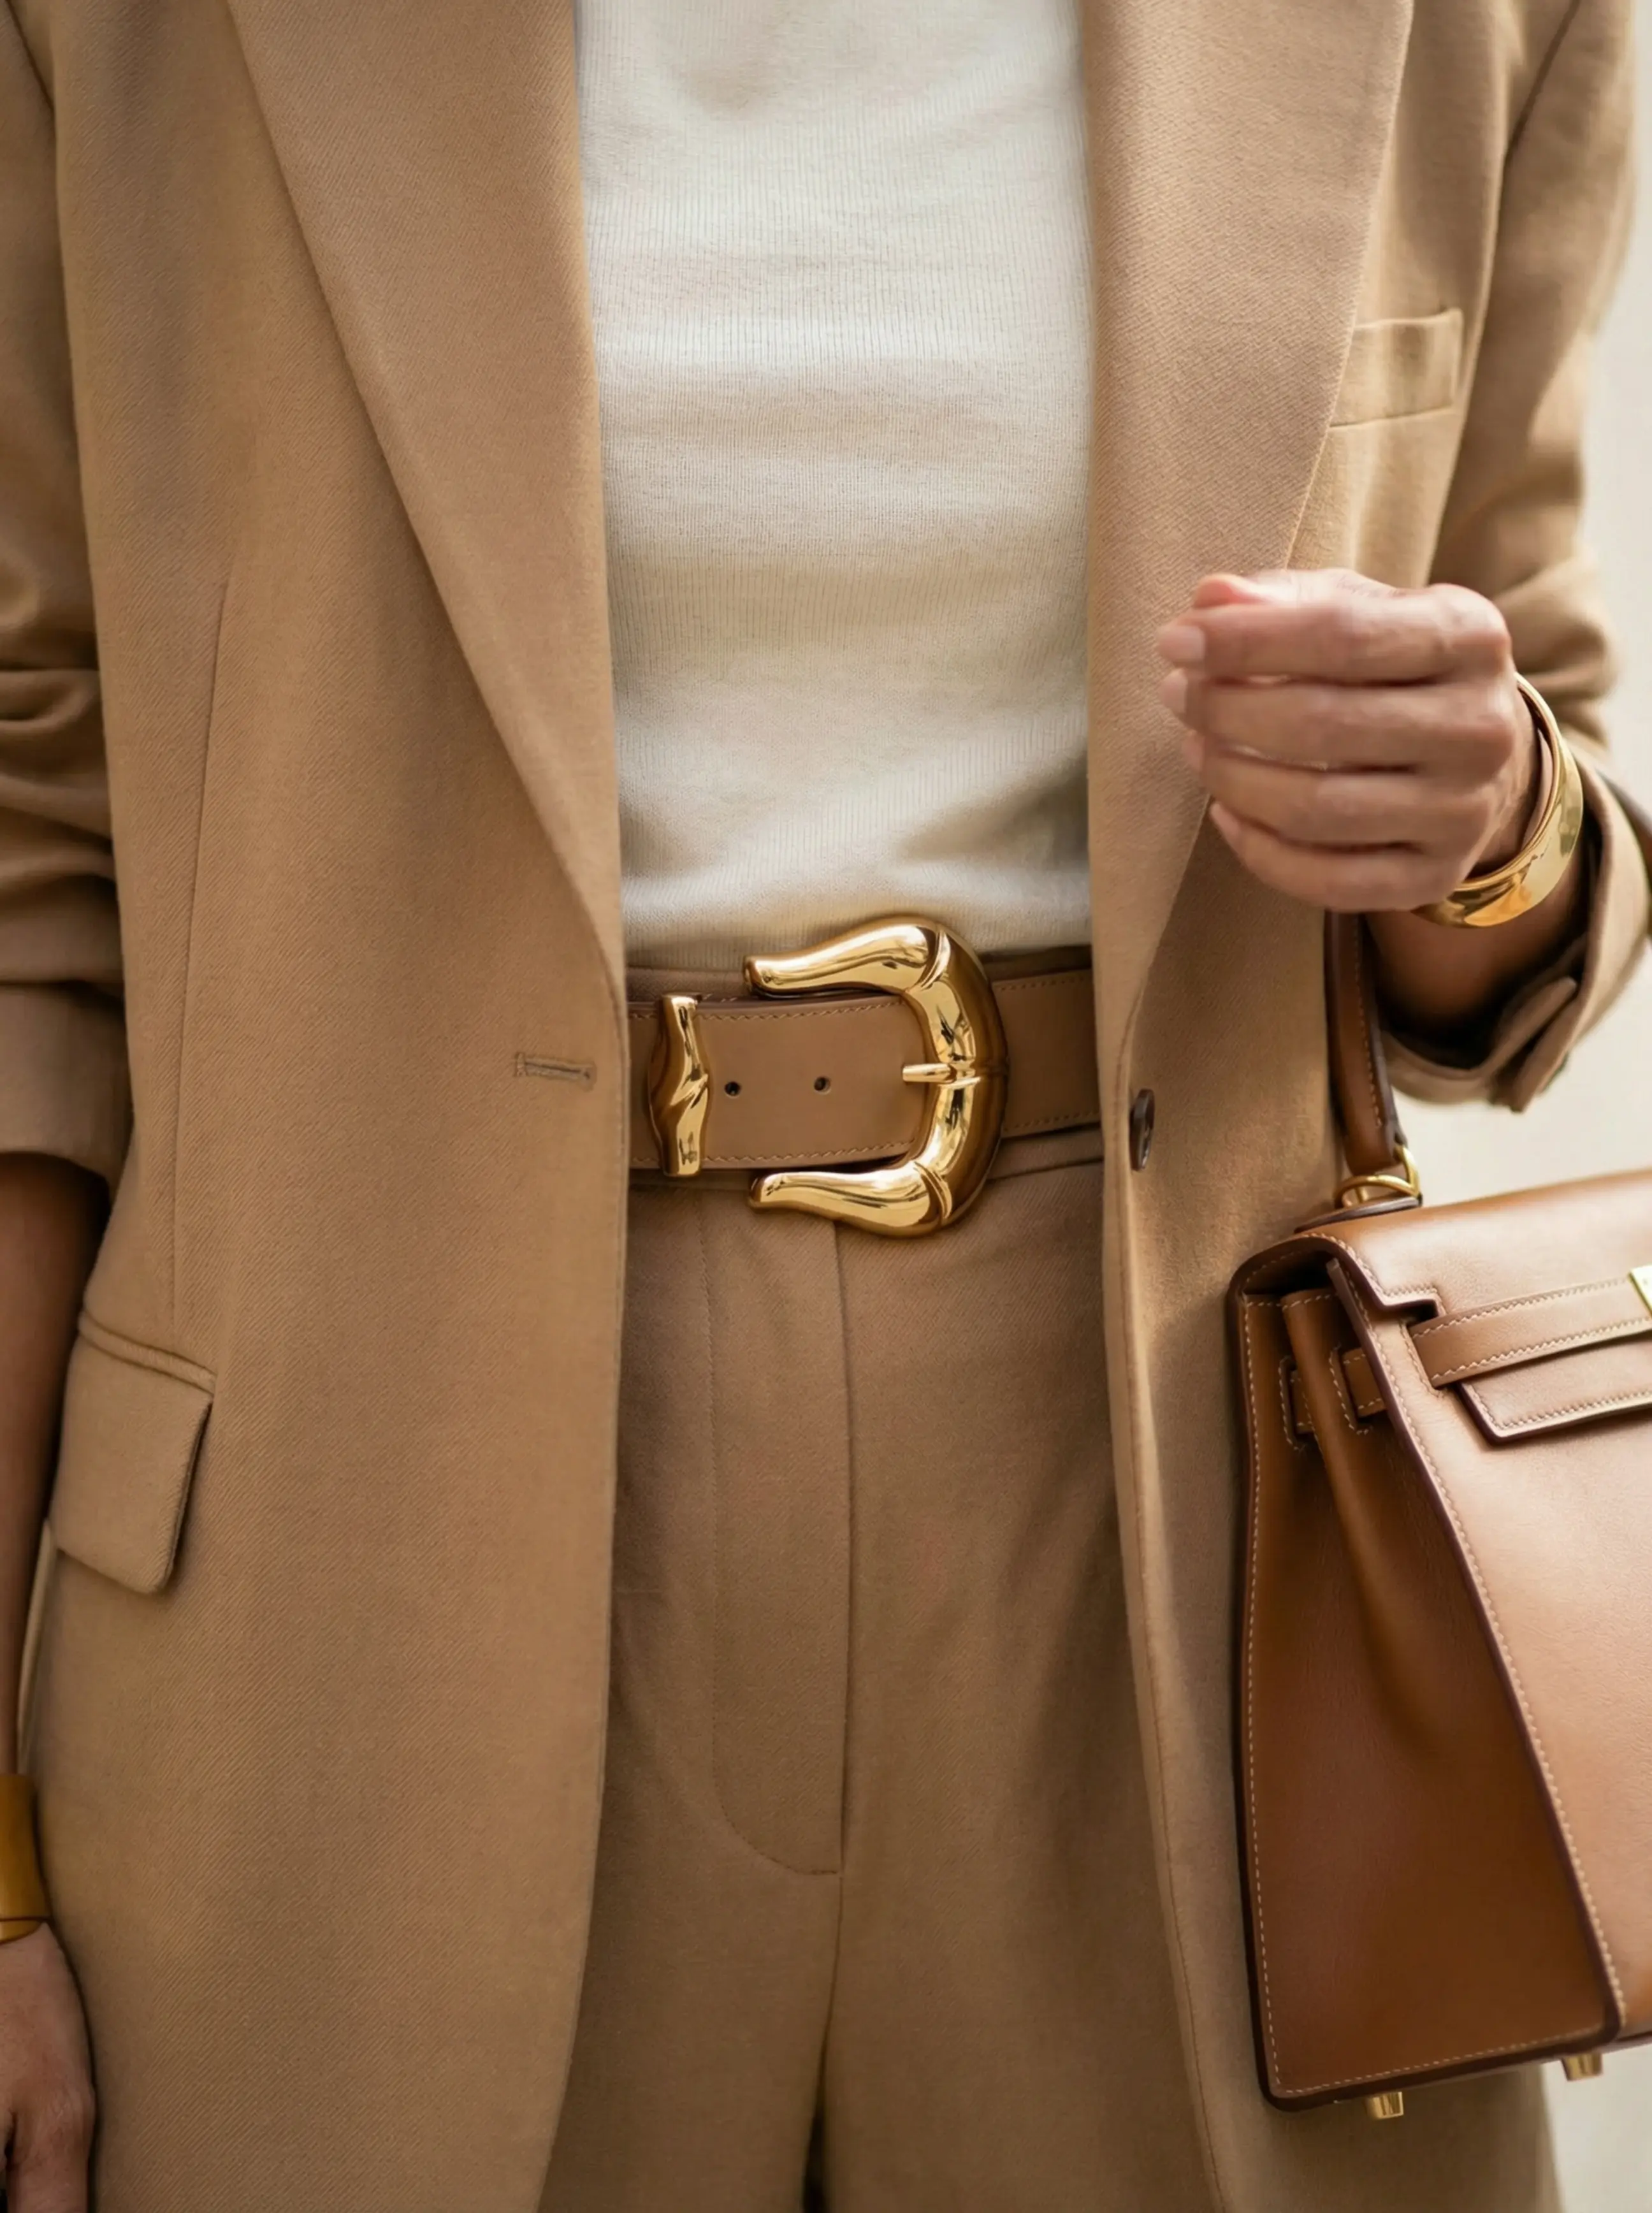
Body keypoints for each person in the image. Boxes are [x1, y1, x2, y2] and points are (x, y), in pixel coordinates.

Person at [0, 0, 1642, 2207]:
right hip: (342, 1548)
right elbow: (28, 908)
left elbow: (1535, 782)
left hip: (1178, 1539)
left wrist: (1492, 810)